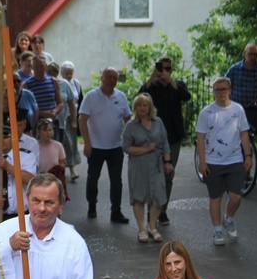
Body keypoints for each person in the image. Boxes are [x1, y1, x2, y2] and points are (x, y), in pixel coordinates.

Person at [195, 77, 253, 246]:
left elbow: (244, 134)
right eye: (217, 89)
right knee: (215, 197)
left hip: (235, 160)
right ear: (213, 92)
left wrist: (248, 155)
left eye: (223, 89)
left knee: (236, 197)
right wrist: (202, 162)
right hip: (213, 162)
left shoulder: (238, 109)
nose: (220, 92)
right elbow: (200, 138)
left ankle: (228, 218)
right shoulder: (206, 112)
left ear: (230, 90)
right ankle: (217, 229)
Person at [138, 57, 191, 226]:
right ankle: (150, 211)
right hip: (153, 137)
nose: (164, 71)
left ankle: (162, 211)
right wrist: (150, 79)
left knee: (168, 174)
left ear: (172, 70)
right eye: (161, 68)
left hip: (173, 137)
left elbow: (187, 97)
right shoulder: (151, 87)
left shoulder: (178, 85)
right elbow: (139, 98)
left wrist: (172, 82)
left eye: (168, 69)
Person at [78, 67, 132, 223]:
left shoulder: (121, 96)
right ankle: (92, 205)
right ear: (102, 78)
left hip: (116, 147)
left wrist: (129, 141)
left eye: (115, 77)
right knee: (93, 178)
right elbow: (82, 119)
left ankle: (116, 211)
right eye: (108, 76)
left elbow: (128, 120)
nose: (112, 80)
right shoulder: (91, 96)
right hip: (95, 147)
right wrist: (87, 143)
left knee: (117, 181)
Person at [123, 94, 172, 244]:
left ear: (150, 107)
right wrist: (145, 149)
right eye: (139, 105)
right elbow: (126, 147)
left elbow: (165, 142)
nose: (142, 108)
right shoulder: (131, 126)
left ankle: (153, 227)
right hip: (138, 165)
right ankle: (141, 229)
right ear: (135, 108)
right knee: (139, 196)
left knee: (157, 195)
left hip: (156, 165)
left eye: (145, 105)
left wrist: (168, 161)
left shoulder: (158, 122)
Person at [225, 42, 257, 131]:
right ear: (245, 53)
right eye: (250, 54)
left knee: (250, 135)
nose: (252, 57)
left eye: (255, 54)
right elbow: (224, 85)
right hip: (235, 108)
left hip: (253, 109)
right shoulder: (234, 69)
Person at [59, 61, 82, 182]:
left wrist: (76, 118)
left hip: (73, 116)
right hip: (63, 117)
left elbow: (80, 100)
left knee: (72, 142)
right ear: (61, 73)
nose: (69, 75)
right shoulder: (60, 84)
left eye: (71, 73)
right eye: (66, 73)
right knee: (65, 142)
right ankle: (69, 169)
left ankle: (72, 167)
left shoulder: (76, 83)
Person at [36, 118, 68, 197]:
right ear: (38, 132)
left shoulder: (58, 146)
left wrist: (57, 172)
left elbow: (63, 161)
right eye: (45, 130)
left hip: (53, 181)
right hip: (38, 181)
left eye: (50, 130)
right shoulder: (34, 146)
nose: (48, 133)